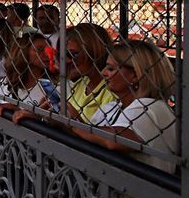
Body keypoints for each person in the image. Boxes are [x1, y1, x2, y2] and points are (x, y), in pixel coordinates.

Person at [74, 39, 178, 172]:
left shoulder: (153, 108)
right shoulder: (111, 107)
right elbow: (88, 136)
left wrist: (72, 122)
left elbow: (113, 141)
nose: (103, 72)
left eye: (111, 68)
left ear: (136, 75)